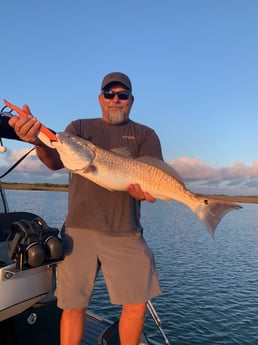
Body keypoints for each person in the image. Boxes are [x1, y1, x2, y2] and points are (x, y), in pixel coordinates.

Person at [9, 72, 164, 345]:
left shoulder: (145, 134)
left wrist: (148, 194)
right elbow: (54, 160)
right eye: (109, 94)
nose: (115, 100)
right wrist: (36, 140)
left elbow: (154, 179)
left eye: (122, 95)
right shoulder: (78, 128)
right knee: (73, 305)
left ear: (131, 100)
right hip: (79, 231)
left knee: (137, 304)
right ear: (100, 99)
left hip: (126, 232)